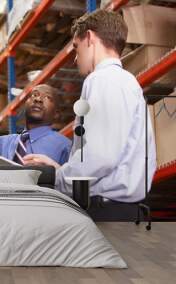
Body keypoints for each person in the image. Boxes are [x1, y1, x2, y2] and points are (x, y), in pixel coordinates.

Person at [33, 10, 157, 220]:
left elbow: (100, 157)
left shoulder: (102, 80)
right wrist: (62, 169)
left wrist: (57, 177)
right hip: (124, 211)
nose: (75, 58)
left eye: (76, 47)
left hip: (108, 213)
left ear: (89, 38)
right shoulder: (125, 82)